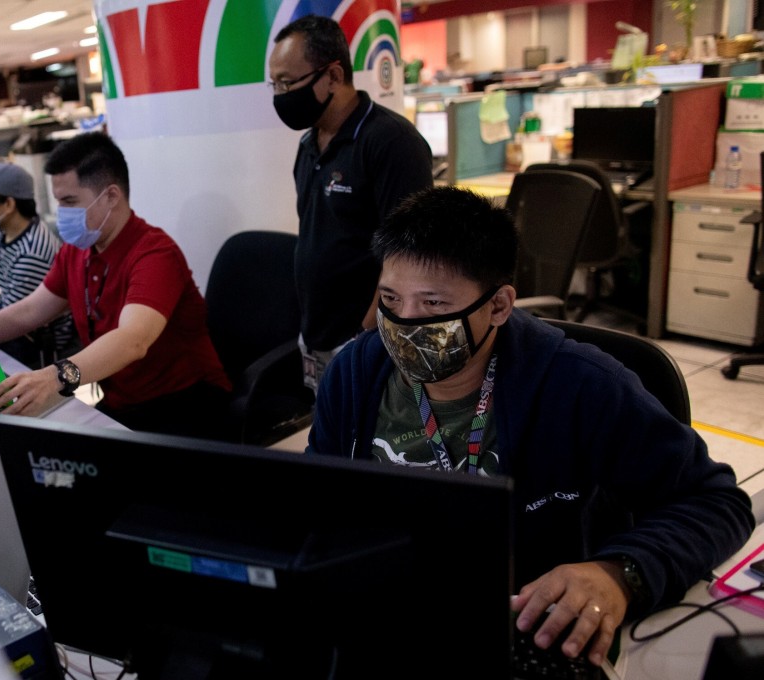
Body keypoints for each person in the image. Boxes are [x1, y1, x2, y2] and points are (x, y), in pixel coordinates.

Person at [307, 185, 754, 668]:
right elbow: (318, 498)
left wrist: (617, 573)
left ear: (499, 306)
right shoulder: (354, 373)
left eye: (433, 305)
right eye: (391, 299)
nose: (404, 324)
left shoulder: (583, 385)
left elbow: (715, 502)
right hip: (390, 612)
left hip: (525, 624)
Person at [0, 132, 232, 439]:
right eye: (58, 202)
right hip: (121, 404)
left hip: (185, 409)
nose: (62, 214)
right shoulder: (78, 251)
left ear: (111, 196)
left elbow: (133, 340)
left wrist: (55, 377)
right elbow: (29, 311)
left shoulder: (154, 254)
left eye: (70, 201)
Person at [268, 15, 433, 394]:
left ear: (334, 75)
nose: (279, 95)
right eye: (274, 84)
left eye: (287, 82)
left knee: (365, 445)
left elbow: (408, 255)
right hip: (316, 336)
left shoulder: (391, 143)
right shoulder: (310, 145)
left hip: (366, 339)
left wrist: (367, 334)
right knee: (329, 436)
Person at [0, 161, 76, 367]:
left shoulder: (32, 252)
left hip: (36, 341)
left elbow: (12, 323)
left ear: (9, 205)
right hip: (14, 315)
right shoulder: (2, 232)